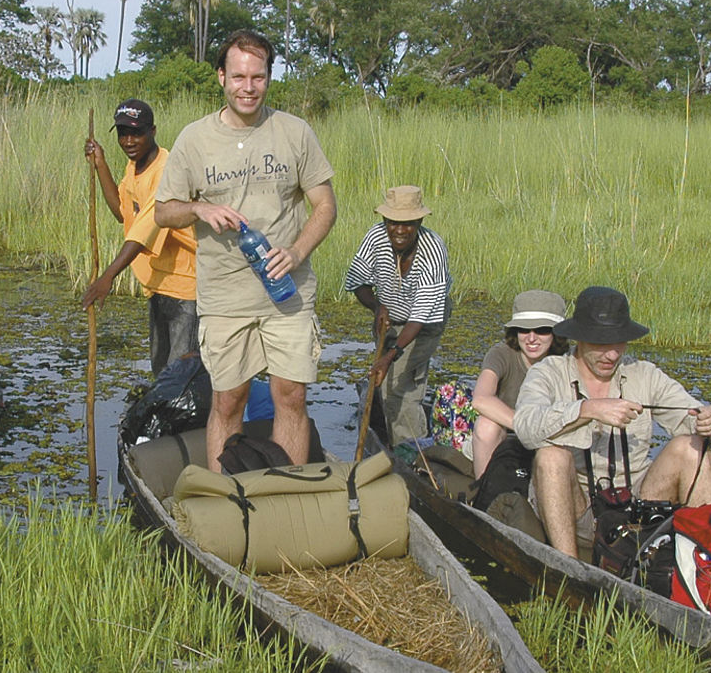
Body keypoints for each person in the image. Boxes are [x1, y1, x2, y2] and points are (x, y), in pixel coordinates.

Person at [154, 29, 337, 471]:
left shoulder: (294, 132)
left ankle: (289, 494)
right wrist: (198, 208)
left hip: (287, 294)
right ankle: (225, 496)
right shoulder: (194, 139)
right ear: (221, 77)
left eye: (258, 77)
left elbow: (326, 206)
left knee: (290, 396)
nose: (248, 87)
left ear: (269, 77)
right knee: (228, 400)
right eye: (239, 77)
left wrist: (296, 252)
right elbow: (163, 212)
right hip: (224, 296)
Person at [510, 286, 711, 559]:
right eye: (601, 344)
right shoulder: (547, 372)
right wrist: (587, 410)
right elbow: (526, 427)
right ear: (579, 338)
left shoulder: (643, 374)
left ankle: (707, 563)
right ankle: (568, 567)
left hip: (638, 504)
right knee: (551, 456)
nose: (612, 355)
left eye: (618, 343)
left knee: (691, 447)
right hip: (576, 509)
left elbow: (691, 416)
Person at [81, 98, 199, 375]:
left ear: (153, 131)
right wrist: (100, 165)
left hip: (186, 285)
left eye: (136, 133)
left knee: (181, 375)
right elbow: (122, 213)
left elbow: (144, 229)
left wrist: (108, 276)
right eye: (123, 134)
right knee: (161, 371)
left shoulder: (167, 170)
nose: (129, 141)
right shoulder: (134, 167)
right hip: (158, 283)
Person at [344, 185, 450, 445]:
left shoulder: (433, 250)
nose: (400, 231)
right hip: (389, 316)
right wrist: (376, 306)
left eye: (408, 224)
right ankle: (392, 442)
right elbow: (357, 281)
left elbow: (420, 316)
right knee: (385, 384)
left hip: (424, 323)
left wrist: (390, 356)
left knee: (398, 387)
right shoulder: (375, 237)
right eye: (393, 223)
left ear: (419, 222)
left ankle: (412, 452)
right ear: (385, 220)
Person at [469, 290, 569, 479]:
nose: (531, 338)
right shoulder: (501, 354)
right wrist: (526, 425)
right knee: (486, 426)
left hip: (551, 438)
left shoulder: (567, 361)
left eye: (542, 330)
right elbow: (481, 399)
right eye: (524, 329)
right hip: (507, 435)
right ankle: (483, 487)